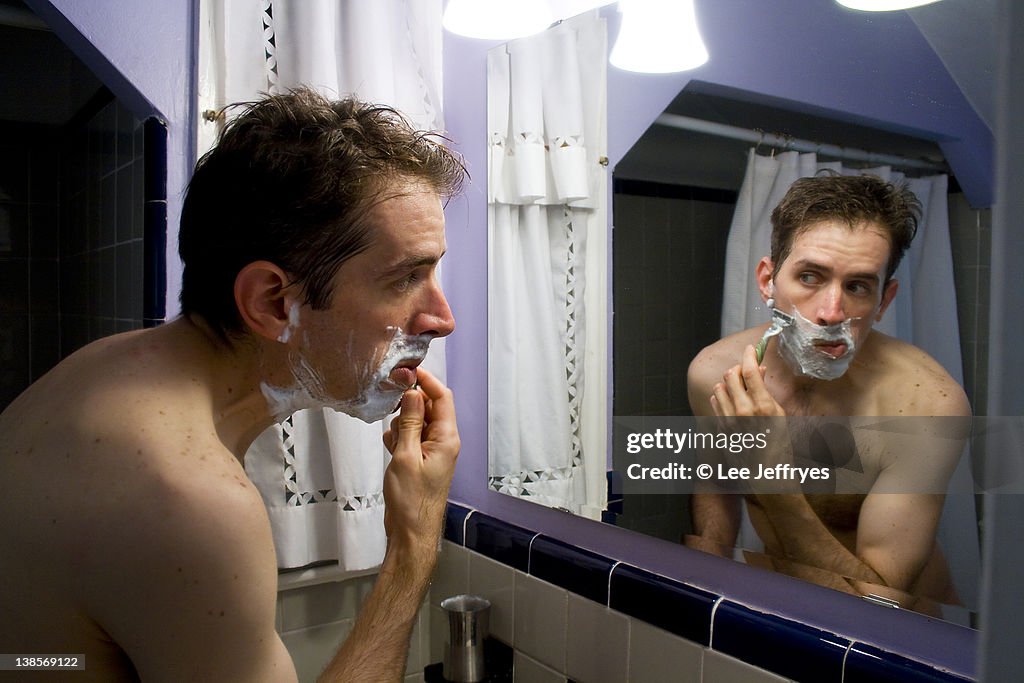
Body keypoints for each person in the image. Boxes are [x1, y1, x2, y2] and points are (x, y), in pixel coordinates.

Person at [0, 88, 466, 681]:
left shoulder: (104, 370)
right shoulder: (189, 500)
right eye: (406, 277)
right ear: (274, 302)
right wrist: (413, 545)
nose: (443, 318)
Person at [686, 173, 970, 612]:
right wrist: (701, 592)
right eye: (810, 276)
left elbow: (877, 610)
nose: (831, 312)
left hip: (899, 636)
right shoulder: (715, 373)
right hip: (784, 602)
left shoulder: (925, 406)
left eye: (857, 286)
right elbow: (716, 488)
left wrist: (772, 475)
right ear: (767, 280)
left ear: (884, 301)